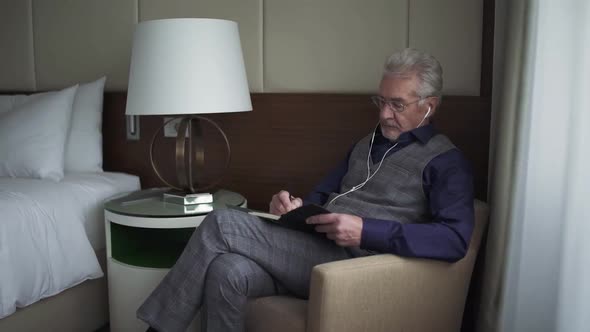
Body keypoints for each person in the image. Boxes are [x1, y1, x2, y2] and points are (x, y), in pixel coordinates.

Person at [138, 48, 474, 332]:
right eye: (381, 101)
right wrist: (293, 208)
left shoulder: (446, 162)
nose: (384, 114)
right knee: (228, 270)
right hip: (313, 253)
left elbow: (455, 239)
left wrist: (365, 231)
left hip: (357, 268)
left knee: (222, 223)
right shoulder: (365, 143)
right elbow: (321, 198)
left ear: (429, 105)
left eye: (397, 105)